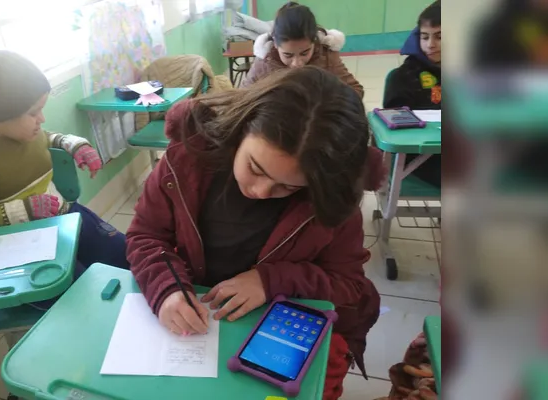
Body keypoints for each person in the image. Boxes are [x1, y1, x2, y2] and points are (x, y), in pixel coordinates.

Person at [126, 66, 383, 399]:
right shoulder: (188, 155)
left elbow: (348, 284)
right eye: (255, 168)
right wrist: (166, 288)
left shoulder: (333, 198)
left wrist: (270, 280)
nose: (261, 191)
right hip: (201, 313)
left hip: (281, 321)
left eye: (287, 186)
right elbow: (145, 234)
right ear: (242, 128)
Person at [0, 41, 129, 271]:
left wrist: (75, 145)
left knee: (130, 257)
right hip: (15, 247)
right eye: (33, 112)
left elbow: (48, 137)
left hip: (63, 218)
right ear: (0, 114)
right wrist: (21, 211)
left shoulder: (24, 132)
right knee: (80, 286)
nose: (41, 119)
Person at [241, 1, 363, 98]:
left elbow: (356, 91)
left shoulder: (326, 55)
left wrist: (328, 104)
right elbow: (241, 97)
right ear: (275, 45)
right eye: (288, 55)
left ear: (315, 41)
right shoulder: (266, 60)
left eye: (305, 53)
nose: (297, 63)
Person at [382, 1, 441, 189]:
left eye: (440, 37)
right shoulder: (403, 77)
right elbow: (396, 126)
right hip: (422, 157)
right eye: (425, 37)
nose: (430, 45)